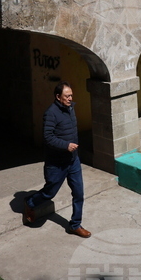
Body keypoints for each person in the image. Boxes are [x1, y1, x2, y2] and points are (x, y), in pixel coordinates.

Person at [23, 81, 90, 238]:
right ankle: (30, 203)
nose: (70, 98)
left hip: (73, 161)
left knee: (79, 193)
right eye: (67, 96)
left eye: (71, 95)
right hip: (56, 163)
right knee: (49, 193)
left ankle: (75, 225)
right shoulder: (51, 113)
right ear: (58, 97)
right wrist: (65, 145)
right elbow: (47, 137)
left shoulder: (71, 108)